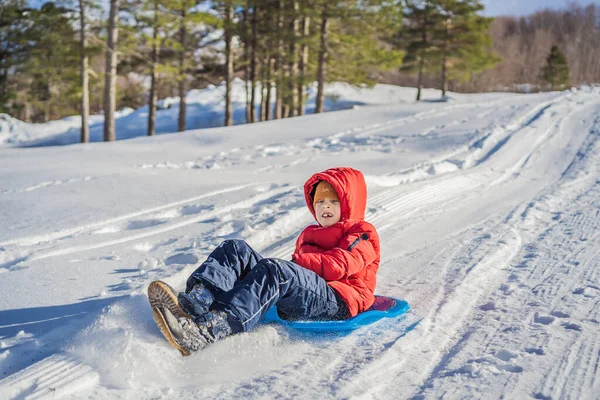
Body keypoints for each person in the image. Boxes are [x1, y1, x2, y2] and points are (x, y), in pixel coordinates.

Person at [148, 167, 380, 356]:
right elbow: (303, 276)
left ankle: (211, 330)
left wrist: (297, 265)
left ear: (350, 203)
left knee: (275, 271)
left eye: (333, 201)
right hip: (311, 294)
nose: (325, 206)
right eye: (320, 202)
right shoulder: (309, 233)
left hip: (340, 300)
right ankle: (196, 303)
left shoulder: (362, 231)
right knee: (235, 249)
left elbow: (341, 265)